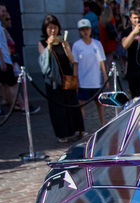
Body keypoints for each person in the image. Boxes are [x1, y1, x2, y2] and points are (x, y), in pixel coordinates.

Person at [38, 14, 85, 142]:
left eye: (55, 27)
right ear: (45, 29)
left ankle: (78, 130)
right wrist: (49, 46)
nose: (53, 31)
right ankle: (62, 133)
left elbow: (71, 59)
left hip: (67, 77)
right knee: (58, 108)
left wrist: (65, 47)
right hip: (54, 81)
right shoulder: (42, 43)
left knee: (72, 104)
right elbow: (43, 62)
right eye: (50, 28)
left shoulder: (63, 41)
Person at [0, 2, 38, 117]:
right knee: (12, 84)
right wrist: (2, 62)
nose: (4, 13)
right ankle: (24, 106)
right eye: (2, 11)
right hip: (2, 60)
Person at [72, 19, 107, 127]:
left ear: (91, 29)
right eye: (82, 30)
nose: (85, 32)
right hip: (83, 81)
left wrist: (105, 77)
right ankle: (81, 128)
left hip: (95, 80)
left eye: (87, 29)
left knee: (100, 104)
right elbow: (75, 64)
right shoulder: (77, 46)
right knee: (82, 105)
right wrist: (75, 80)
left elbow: (101, 61)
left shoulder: (97, 44)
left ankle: (103, 125)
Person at [98, 5, 117, 71]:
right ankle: (109, 69)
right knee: (110, 55)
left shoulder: (100, 18)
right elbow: (114, 29)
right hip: (110, 39)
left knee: (103, 55)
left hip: (102, 38)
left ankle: (103, 69)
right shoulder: (111, 19)